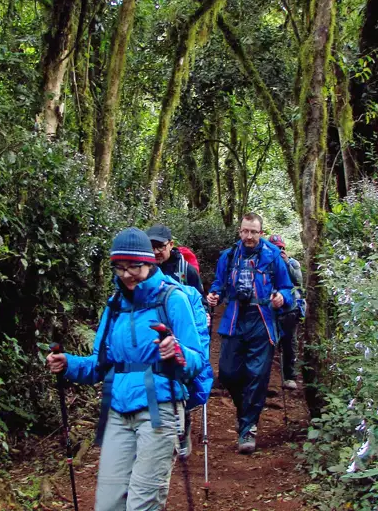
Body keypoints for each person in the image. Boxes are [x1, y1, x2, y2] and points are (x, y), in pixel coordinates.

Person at [46, 227, 206, 511]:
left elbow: (196, 359)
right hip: (118, 411)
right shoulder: (114, 306)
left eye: (134, 266)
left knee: (142, 503)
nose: (127, 274)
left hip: (161, 409)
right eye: (120, 268)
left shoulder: (173, 298)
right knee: (108, 504)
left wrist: (177, 352)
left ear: (150, 263)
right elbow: (100, 364)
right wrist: (68, 363)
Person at [206, 213, 293, 454]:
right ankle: (245, 412)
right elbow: (219, 284)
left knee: (257, 375)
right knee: (228, 372)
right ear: (240, 231)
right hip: (234, 318)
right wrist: (213, 295)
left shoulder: (273, 256)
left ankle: (248, 428)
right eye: (245, 231)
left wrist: (280, 298)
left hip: (262, 319)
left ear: (261, 233)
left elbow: (288, 289)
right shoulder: (229, 256)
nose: (249, 236)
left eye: (254, 232)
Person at [146, 224, 211, 460]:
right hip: (155, 333)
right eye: (151, 247)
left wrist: (203, 316)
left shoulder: (186, 271)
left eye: (160, 247)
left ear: (170, 245)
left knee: (184, 378)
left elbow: (200, 301)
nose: (155, 252)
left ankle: (183, 430)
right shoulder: (143, 268)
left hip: (183, 331)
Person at [268, 234, 303, 391]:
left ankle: (289, 376)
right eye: (276, 248)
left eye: (281, 248)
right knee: (267, 343)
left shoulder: (293, 263)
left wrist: (287, 263)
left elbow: (298, 281)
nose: (279, 250)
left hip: (290, 310)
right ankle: (264, 378)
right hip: (270, 309)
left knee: (289, 343)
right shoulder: (265, 263)